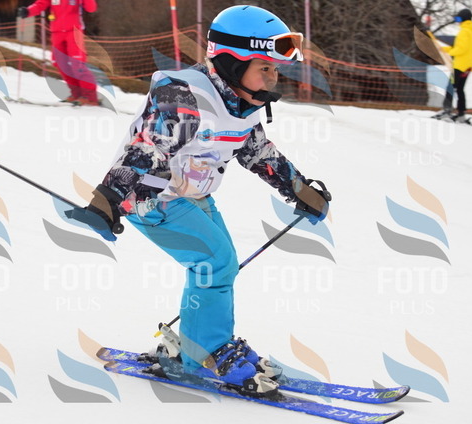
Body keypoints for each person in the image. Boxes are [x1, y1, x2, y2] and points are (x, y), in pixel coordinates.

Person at [68, 5, 331, 393]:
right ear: (231, 62)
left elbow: (256, 151)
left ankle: (202, 346)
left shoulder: (242, 102)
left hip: (194, 195)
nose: (273, 78)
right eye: (265, 67)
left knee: (219, 267)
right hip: (151, 197)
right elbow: (147, 148)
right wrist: (108, 197)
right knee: (215, 263)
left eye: (275, 70)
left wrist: (299, 187)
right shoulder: (184, 95)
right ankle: (208, 354)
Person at [17, 0, 100, 106]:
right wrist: (28, 11)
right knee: (60, 63)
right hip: (57, 31)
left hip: (74, 31)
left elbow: (91, 8)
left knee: (77, 63)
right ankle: (76, 94)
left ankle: (90, 97)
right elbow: (41, 4)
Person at [436, 8, 472, 122]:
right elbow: (462, 48)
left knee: (450, 87)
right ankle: (461, 113)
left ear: (464, 19)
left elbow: (461, 49)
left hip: (459, 65)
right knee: (460, 89)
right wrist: (445, 49)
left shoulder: (464, 32)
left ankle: (447, 110)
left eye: (458, 19)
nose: (457, 22)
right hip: (468, 66)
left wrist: (450, 52)